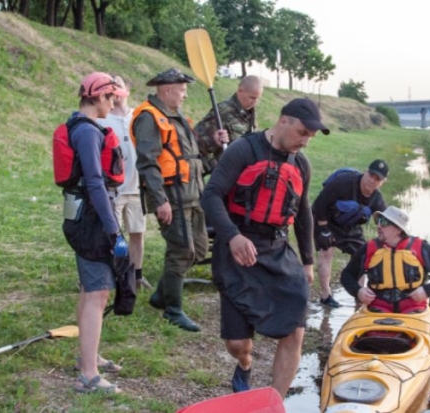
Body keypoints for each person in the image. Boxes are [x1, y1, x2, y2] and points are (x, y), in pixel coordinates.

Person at [200, 97, 329, 397]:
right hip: (238, 250)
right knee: (237, 344)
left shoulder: (301, 164)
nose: (305, 142)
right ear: (283, 120)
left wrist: (308, 262)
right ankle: (245, 363)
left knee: (296, 328)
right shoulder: (244, 150)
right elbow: (211, 196)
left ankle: (275, 401)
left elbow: (303, 213)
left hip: (277, 250)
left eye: (310, 137)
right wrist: (232, 236)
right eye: (302, 133)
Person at [131, 68, 228, 332]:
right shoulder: (149, 118)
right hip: (172, 196)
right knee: (181, 250)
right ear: (168, 90)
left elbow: (189, 154)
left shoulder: (176, 117)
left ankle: (161, 296)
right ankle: (172, 310)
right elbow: (147, 163)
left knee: (196, 250)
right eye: (183, 89)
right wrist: (159, 199)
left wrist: (212, 140)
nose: (185, 94)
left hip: (193, 194)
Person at [66, 72, 129, 393]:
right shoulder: (88, 133)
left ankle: (86, 358)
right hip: (91, 220)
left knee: (90, 288)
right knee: (98, 292)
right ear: (99, 97)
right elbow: (93, 181)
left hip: (82, 216)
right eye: (111, 98)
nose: (114, 103)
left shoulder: (78, 125)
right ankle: (89, 376)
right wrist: (112, 228)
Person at [340, 206, 430, 313]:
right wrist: (358, 291)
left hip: (414, 308)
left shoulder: (421, 248)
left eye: (384, 223)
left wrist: (427, 291)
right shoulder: (369, 248)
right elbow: (347, 275)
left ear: (398, 229)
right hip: (377, 308)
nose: (379, 226)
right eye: (378, 221)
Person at [96, 75, 150, 290]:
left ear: (127, 88)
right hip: (113, 189)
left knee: (137, 233)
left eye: (118, 85)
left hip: (137, 188)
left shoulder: (138, 117)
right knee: (114, 236)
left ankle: (137, 275)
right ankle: (115, 274)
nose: (115, 90)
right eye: (112, 87)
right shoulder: (102, 118)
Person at [311, 160, 389, 308]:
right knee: (326, 251)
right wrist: (323, 228)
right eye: (371, 175)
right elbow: (319, 203)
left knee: (363, 255)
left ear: (383, 182)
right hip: (326, 218)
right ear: (366, 172)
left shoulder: (377, 200)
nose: (372, 180)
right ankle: (326, 295)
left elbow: (385, 223)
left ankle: (359, 297)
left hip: (349, 225)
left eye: (377, 179)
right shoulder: (345, 182)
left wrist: (389, 242)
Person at [195, 75, 264, 173]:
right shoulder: (223, 111)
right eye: (252, 97)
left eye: (258, 98)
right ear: (240, 90)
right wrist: (217, 169)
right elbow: (198, 142)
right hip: (225, 172)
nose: (255, 102)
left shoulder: (251, 115)